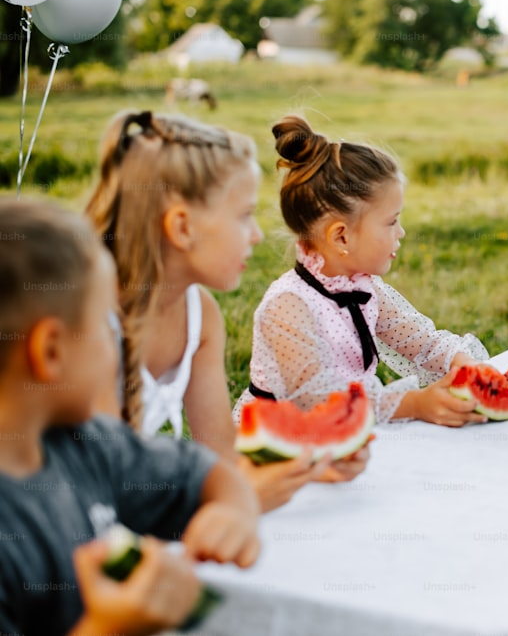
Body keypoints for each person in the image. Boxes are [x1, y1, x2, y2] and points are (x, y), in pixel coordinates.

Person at [84, 110, 367, 513]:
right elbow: (104, 482)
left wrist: (312, 462)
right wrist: (241, 500)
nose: (257, 234)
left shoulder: (200, 317)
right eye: (243, 216)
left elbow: (217, 454)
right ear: (182, 228)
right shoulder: (91, 323)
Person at [0, 198, 260, 636]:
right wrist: (108, 627)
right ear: (50, 352)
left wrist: (234, 512)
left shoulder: (86, 444)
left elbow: (207, 473)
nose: (118, 340)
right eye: (106, 323)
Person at [233, 115, 489, 426]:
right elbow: (320, 399)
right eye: (391, 222)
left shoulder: (365, 289)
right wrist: (413, 403)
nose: (402, 233)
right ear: (341, 236)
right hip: (279, 443)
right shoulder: (287, 307)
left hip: (350, 432)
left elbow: (423, 342)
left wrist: (461, 362)